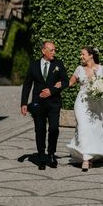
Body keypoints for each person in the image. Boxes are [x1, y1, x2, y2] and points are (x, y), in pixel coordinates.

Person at [21, 41, 69, 170]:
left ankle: (51, 153)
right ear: (44, 51)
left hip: (54, 103)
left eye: (54, 50)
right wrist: (24, 103)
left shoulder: (58, 64)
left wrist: (52, 90)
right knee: (40, 130)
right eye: (51, 50)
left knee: (53, 129)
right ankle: (42, 157)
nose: (54, 52)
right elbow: (27, 85)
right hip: (38, 104)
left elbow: (65, 81)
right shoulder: (34, 65)